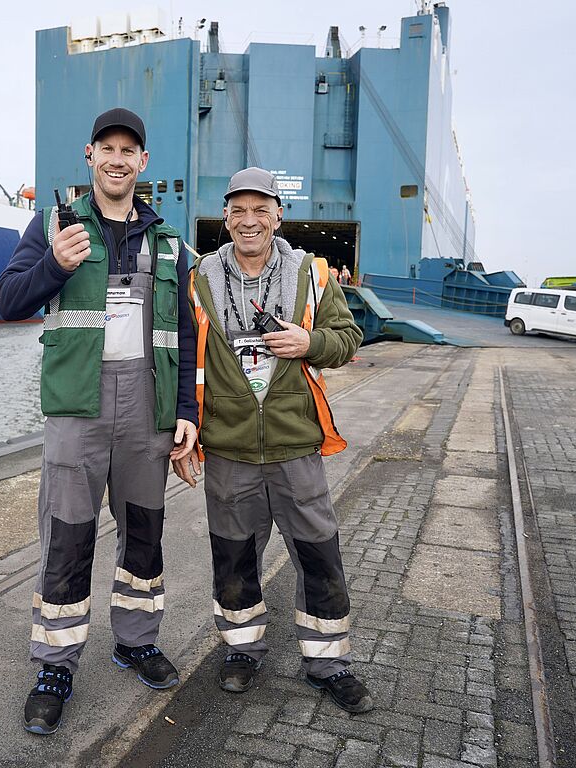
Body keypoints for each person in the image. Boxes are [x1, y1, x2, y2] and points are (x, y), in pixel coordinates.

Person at [0, 108, 198, 735]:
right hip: (75, 408)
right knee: (68, 536)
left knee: (144, 533)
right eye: (106, 148)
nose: (117, 159)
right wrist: (53, 265)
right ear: (90, 156)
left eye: (127, 150)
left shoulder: (169, 242)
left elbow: (185, 334)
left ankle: (136, 640)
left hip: (147, 407)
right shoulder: (53, 224)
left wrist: (186, 411)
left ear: (144, 162)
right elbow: (8, 301)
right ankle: (55, 665)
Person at [173, 167, 373, 713]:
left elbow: (348, 337)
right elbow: (179, 358)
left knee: (318, 553)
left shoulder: (312, 274)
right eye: (238, 210)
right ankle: (242, 650)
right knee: (233, 556)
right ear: (225, 217)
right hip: (229, 447)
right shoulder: (198, 279)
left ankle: (328, 663)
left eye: (261, 209)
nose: (249, 220)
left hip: (295, 444)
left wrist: (310, 342)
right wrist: (183, 429)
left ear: (278, 216)